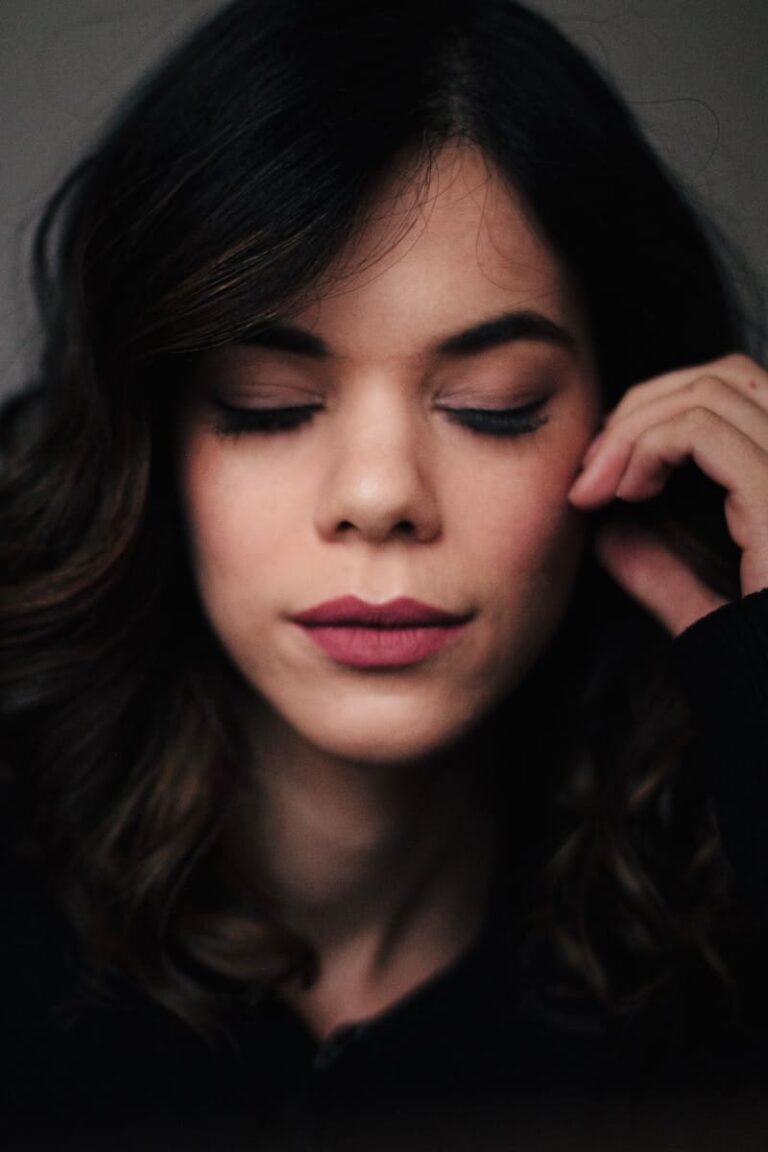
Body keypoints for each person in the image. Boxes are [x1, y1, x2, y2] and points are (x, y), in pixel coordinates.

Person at [1, 0, 768, 1148]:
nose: (377, 496)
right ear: (148, 443)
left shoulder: (712, 945)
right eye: (268, 408)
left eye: (490, 407)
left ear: (629, 426)